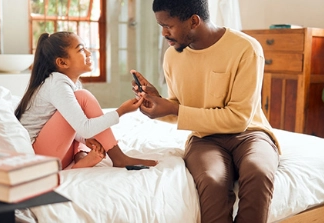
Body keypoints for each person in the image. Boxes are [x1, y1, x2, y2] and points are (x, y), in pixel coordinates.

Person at [131, 0, 280, 222]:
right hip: (204, 138)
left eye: (168, 26)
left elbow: (238, 119)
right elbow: (181, 108)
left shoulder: (246, 48)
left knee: (258, 171)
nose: (164, 33)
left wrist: (173, 108)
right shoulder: (173, 56)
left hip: (250, 133)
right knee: (212, 179)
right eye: (160, 25)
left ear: (193, 21)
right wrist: (159, 103)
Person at [15, 31, 157, 170]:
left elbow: (72, 125)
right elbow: (85, 128)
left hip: (57, 154)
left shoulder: (72, 84)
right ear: (62, 62)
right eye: (81, 50)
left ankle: (80, 158)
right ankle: (118, 157)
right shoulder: (57, 84)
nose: (89, 53)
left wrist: (85, 140)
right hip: (41, 158)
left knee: (82, 117)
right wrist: (121, 111)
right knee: (83, 98)